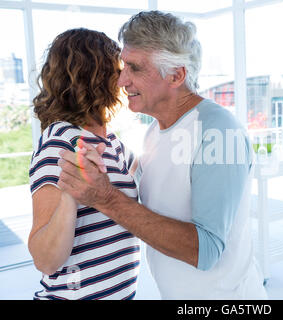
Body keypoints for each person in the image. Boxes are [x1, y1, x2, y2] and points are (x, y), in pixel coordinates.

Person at [57, 11, 267, 299]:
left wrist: (105, 197)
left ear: (176, 75)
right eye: (123, 67)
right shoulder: (154, 132)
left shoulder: (219, 131)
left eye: (134, 68)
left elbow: (204, 251)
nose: (121, 81)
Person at [28, 28, 140, 300]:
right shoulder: (61, 141)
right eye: (119, 68)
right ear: (95, 75)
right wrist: (70, 193)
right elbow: (45, 260)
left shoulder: (114, 144)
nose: (125, 77)